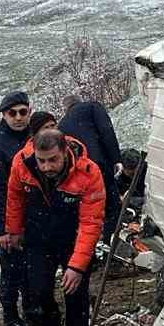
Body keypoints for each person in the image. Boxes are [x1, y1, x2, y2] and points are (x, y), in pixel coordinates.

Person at [5, 129, 105, 326]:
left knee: (75, 294)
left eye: (53, 160)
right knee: (37, 291)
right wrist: (14, 229)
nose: (47, 166)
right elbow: (14, 196)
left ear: (65, 152)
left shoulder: (88, 172)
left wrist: (77, 266)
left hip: (73, 238)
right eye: (42, 161)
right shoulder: (22, 163)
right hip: (38, 237)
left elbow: (91, 223)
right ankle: (51, 325)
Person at [0, 90, 39, 326]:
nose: (18, 117)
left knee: (32, 269)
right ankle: (10, 319)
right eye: (12, 113)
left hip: (33, 216)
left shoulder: (33, 137)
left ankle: (32, 314)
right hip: (7, 218)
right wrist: (2, 229)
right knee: (12, 272)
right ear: (3, 115)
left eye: (22, 112)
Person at [58, 94, 121, 237]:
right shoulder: (92, 107)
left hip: (82, 174)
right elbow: (106, 130)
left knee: (94, 209)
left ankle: (97, 243)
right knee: (113, 206)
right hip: (99, 164)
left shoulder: (61, 125)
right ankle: (111, 241)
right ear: (79, 102)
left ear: (66, 109)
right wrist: (116, 158)